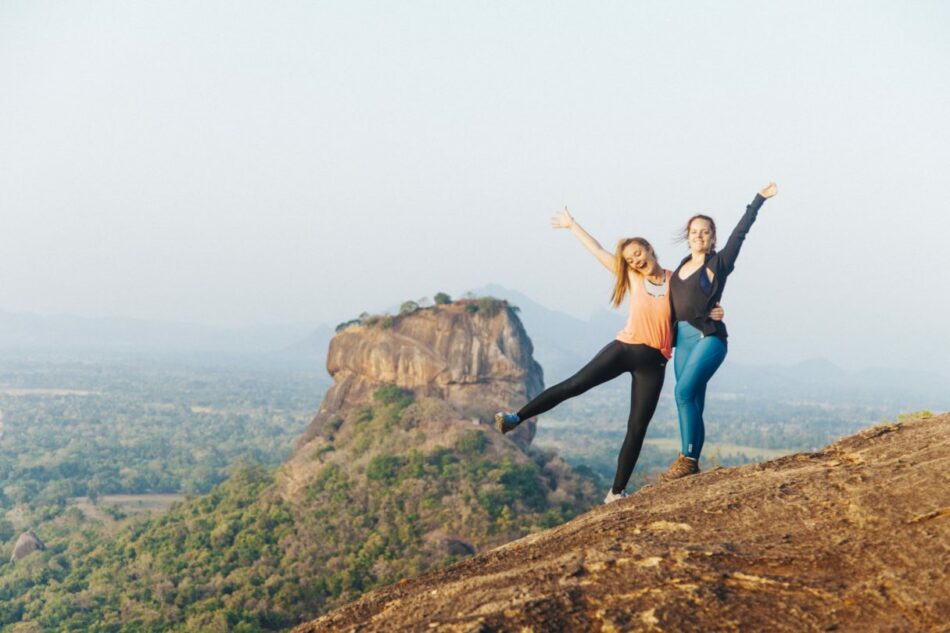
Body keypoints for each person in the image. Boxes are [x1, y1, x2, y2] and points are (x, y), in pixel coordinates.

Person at [494, 209, 724, 504]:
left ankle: (616, 492)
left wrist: (716, 311)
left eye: (638, 253)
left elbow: (696, 304)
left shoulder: (675, 281)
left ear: (650, 249)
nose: (636, 260)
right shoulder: (632, 277)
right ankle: (516, 417)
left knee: (637, 427)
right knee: (574, 385)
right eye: (630, 259)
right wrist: (572, 225)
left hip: (654, 363)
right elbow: (598, 251)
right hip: (624, 349)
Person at [662, 182, 778, 481]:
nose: (699, 236)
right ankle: (692, 460)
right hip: (682, 341)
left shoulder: (718, 263)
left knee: (682, 392)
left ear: (712, 237)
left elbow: (740, 233)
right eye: (694, 232)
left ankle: (686, 458)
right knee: (694, 400)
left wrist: (758, 201)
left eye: (705, 231)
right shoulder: (681, 266)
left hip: (708, 337)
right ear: (687, 237)